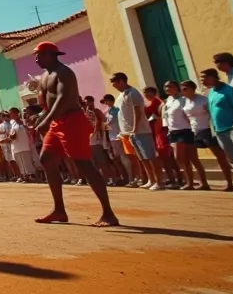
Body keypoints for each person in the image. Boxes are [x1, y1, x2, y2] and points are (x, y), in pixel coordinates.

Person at [32, 42, 117, 226]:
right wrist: (44, 119)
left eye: (39, 55)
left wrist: (46, 120)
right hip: (56, 122)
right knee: (46, 159)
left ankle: (108, 214)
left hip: (73, 120)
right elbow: (47, 101)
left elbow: (62, 98)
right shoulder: (44, 76)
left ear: (50, 54)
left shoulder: (64, 73)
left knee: (83, 164)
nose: (36, 59)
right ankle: (59, 211)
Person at [109, 72, 161, 191]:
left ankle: (159, 182)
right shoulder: (121, 95)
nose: (112, 85)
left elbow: (137, 111)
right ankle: (151, 180)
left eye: (114, 82)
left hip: (140, 131)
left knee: (150, 157)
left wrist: (135, 128)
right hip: (128, 133)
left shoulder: (133, 93)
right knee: (141, 158)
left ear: (122, 81)